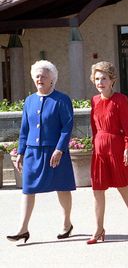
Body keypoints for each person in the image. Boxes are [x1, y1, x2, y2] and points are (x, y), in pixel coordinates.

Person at [7, 60, 76, 243]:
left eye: (44, 76)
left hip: (55, 153)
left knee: (62, 187)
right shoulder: (29, 101)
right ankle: (23, 229)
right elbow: (25, 129)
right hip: (32, 153)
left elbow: (67, 127)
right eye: (37, 76)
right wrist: (20, 152)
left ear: (52, 79)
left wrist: (60, 149)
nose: (40, 79)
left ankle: (66, 223)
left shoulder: (62, 100)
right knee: (27, 189)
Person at [87, 61, 128, 244]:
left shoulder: (120, 99)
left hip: (116, 147)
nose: (100, 82)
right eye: (97, 78)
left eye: (104, 78)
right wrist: (94, 146)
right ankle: (98, 229)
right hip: (99, 148)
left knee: (122, 186)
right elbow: (94, 127)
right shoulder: (94, 100)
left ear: (112, 80)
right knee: (97, 189)